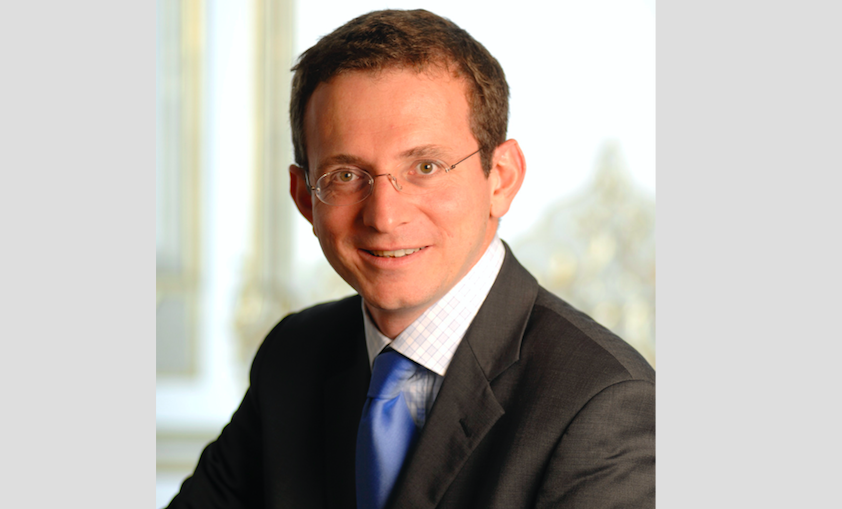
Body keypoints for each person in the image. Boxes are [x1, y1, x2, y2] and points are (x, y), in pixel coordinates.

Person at [166, 9, 655, 509]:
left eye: (425, 166)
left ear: (501, 179)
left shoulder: (603, 403)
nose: (384, 216)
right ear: (305, 197)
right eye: (345, 175)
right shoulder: (294, 356)